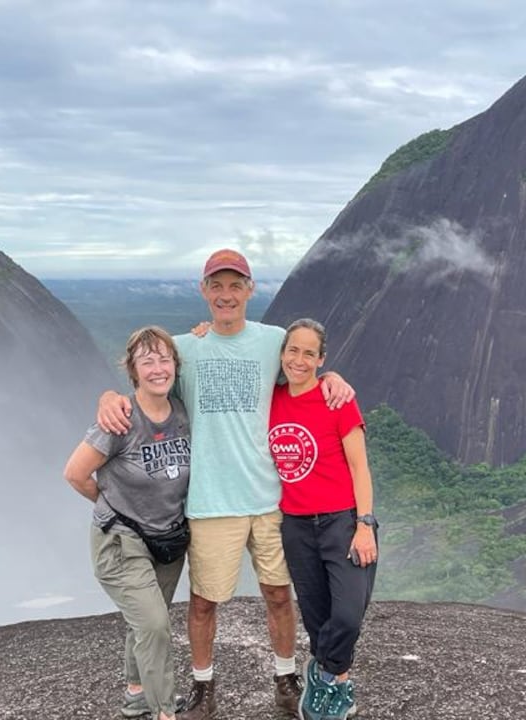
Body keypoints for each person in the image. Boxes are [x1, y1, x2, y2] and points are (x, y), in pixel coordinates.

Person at [97, 249, 354, 719]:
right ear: (204, 291)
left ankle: (285, 677)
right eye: (217, 285)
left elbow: (303, 368)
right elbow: (145, 375)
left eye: (236, 285)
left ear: (250, 291)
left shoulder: (273, 340)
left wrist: (333, 376)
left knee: (279, 594)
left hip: (269, 497)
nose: (226, 294)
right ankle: (203, 687)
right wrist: (109, 396)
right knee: (204, 602)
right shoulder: (184, 348)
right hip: (212, 501)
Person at [65, 326, 192, 720]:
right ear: (133, 372)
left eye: (164, 359)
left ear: (176, 365)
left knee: (146, 621)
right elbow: (75, 473)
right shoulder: (119, 419)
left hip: (168, 540)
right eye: (147, 361)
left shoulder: (182, 412)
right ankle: (163, 711)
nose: (158, 368)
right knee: (154, 626)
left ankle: (137, 695)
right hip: (122, 542)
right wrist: (116, 508)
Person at [269, 319, 377, 720]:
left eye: (309, 353)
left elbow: (360, 468)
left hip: (342, 521)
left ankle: (323, 675)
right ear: (282, 354)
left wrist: (364, 524)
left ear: (322, 359)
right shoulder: (273, 399)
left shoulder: (338, 401)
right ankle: (339, 688)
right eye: (292, 350)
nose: (299, 360)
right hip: (295, 525)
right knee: (317, 619)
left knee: (348, 614)